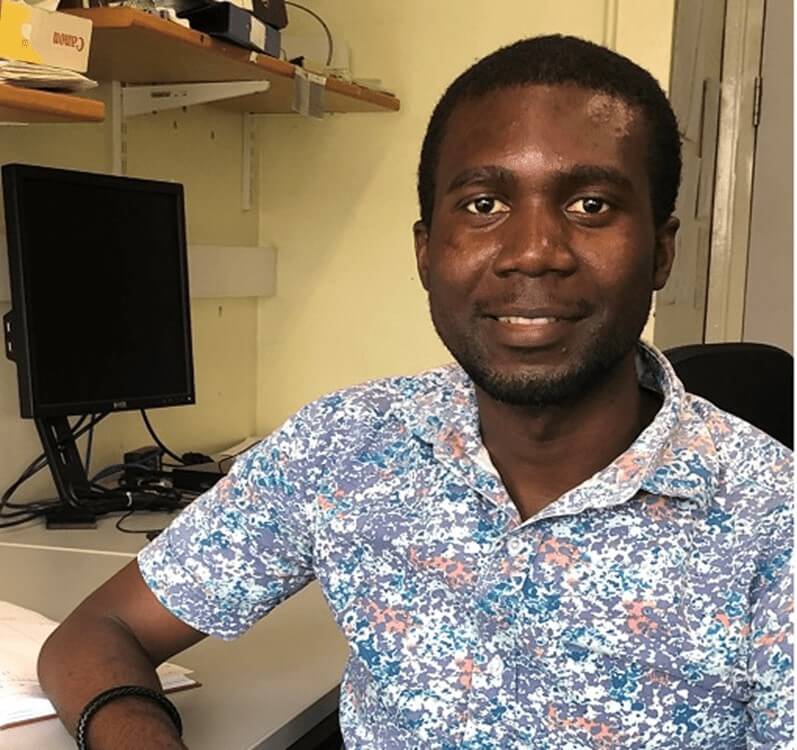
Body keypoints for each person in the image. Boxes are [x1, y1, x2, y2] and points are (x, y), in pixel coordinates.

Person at [38, 35, 793, 750]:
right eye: (482, 204)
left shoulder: (773, 518)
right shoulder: (343, 446)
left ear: (660, 251)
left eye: (590, 204)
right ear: (426, 251)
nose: (533, 251)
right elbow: (103, 631)